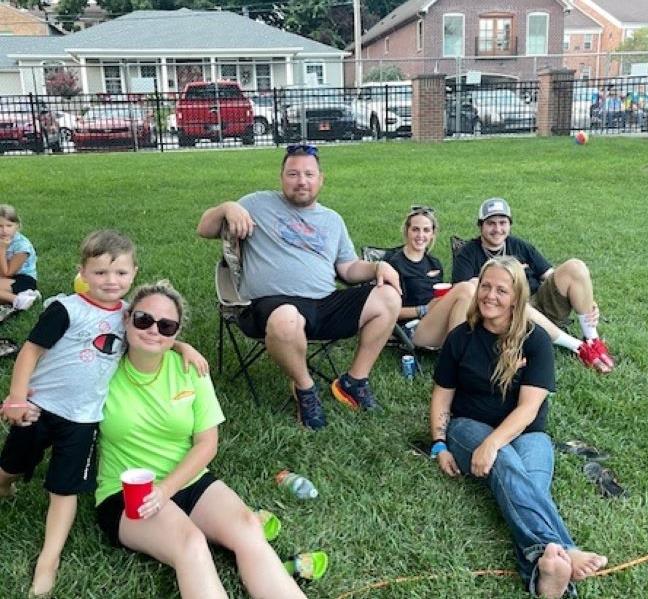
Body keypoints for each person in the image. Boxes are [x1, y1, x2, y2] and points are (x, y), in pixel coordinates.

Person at [0, 230, 206, 596]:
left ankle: (50, 557)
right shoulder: (66, 309)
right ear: (83, 271)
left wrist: (184, 347)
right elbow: (30, 352)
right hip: (41, 407)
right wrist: (17, 397)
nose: (111, 282)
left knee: (65, 490)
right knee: (11, 466)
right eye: (100, 273)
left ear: (133, 273)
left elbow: (155, 334)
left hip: (83, 419)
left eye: (121, 274)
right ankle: (6, 485)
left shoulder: (129, 316)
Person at [94, 281, 309, 598]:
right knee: (190, 544)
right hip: (126, 492)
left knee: (249, 529)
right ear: (126, 320)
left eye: (166, 326)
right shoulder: (100, 370)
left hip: (188, 479)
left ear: (176, 333)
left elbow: (207, 444)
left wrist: (167, 489)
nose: (154, 330)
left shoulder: (191, 369)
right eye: (143, 320)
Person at [431, 256, 607, 598]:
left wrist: (494, 443)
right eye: (485, 286)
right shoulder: (460, 338)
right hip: (469, 428)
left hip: (528, 432)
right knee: (512, 471)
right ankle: (564, 549)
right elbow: (441, 396)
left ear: (516, 297)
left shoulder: (536, 340)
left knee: (525, 486)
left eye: (501, 289)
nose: (490, 295)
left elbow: (529, 409)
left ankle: (547, 571)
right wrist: (439, 443)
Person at [197, 144, 402, 430]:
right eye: (293, 174)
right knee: (286, 316)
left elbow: (347, 268)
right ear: (281, 177)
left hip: (324, 303)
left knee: (389, 298)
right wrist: (227, 207)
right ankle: (305, 389)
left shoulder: (332, 220)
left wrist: (377, 267)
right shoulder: (257, 204)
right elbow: (204, 228)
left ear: (321, 179)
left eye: (309, 174)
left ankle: (354, 381)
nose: (301, 180)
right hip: (270, 305)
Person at [452, 198, 615, 373]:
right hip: (505, 316)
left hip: (539, 303)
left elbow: (550, 275)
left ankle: (592, 339)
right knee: (517, 302)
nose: (498, 229)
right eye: (491, 223)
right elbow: (465, 293)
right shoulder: (468, 254)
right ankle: (578, 347)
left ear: (510, 224)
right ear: (480, 226)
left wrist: (585, 298)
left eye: (503, 223)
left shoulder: (519, 245)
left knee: (575, 267)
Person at [385, 206, 473, 348]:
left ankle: (461, 349)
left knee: (473, 284)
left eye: (426, 230)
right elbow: (386, 310)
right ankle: (454, 355)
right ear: (407, 231)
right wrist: (424, 309)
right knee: (466, 288)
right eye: (415, 229)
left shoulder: (434, 263)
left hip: (435, 321)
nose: (421, 235)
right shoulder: (395, 264)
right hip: (411, 329)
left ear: (432, 233)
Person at [0, 204, 41, 316]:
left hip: (22, 280)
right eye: (0, 226)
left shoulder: (22, 246)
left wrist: (2, 249)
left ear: (17, 226)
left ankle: (19, 300)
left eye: (9, 225)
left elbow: (7, 272)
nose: (4, 230)